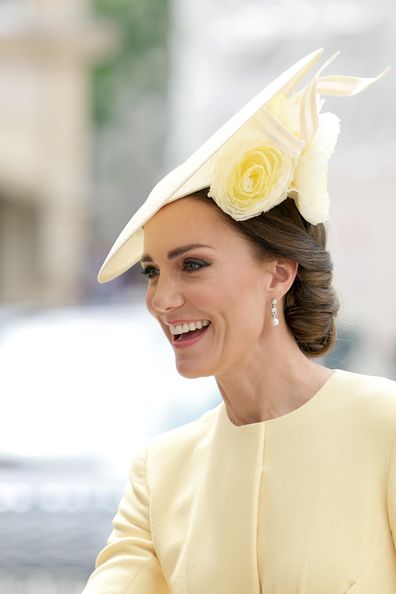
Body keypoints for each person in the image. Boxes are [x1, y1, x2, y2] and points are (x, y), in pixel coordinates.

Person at [81, 49, 396, 593]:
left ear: (278, 274)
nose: (161, 298)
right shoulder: (160, 472)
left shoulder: (385, 428)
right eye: (153, 272)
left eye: (193, 265)